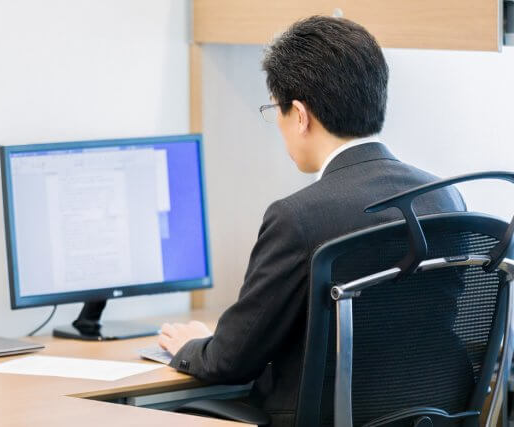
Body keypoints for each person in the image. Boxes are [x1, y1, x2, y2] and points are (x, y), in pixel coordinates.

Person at [157, 16, 465, 426]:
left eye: (276, 110)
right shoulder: (445, 198)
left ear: (300, 115)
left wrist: (193, 346)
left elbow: (231, 359)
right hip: (433, 416)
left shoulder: (298, 217)